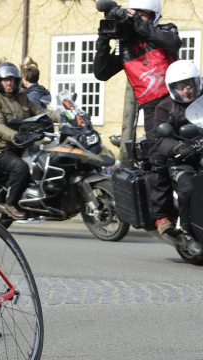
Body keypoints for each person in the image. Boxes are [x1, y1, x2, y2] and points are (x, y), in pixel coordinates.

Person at [93, 0, 181, 235]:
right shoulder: (125, 46)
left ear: (153, 16)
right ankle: (163, 217)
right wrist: (104, 39)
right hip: (153, 108)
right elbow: (101, 72)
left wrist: (137, 24)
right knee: (158, 158)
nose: (137, 19)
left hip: (179, 100)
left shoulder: (165, 31)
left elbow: (173, 43)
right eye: (135, 15)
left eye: (142, 15)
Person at [0, 62, 59, 220]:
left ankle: (36, 202)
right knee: (21, 168)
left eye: (12, 79)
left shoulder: (22, 97)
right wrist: (14, 135)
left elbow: (41, 112)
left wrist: (66, 117)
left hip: (22, 144)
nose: (9, 83)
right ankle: (10, 203)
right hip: (2, 147)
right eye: (5, 80)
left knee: (43, 163)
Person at [154, 60, 203, 256]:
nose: (186, 90)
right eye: (181, 86)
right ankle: (188, 232)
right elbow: (160, 141)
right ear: (172, 88)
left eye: (190, 84)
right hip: (182, 162)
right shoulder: (164, 108)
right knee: (189, 188)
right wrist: (178, 147)